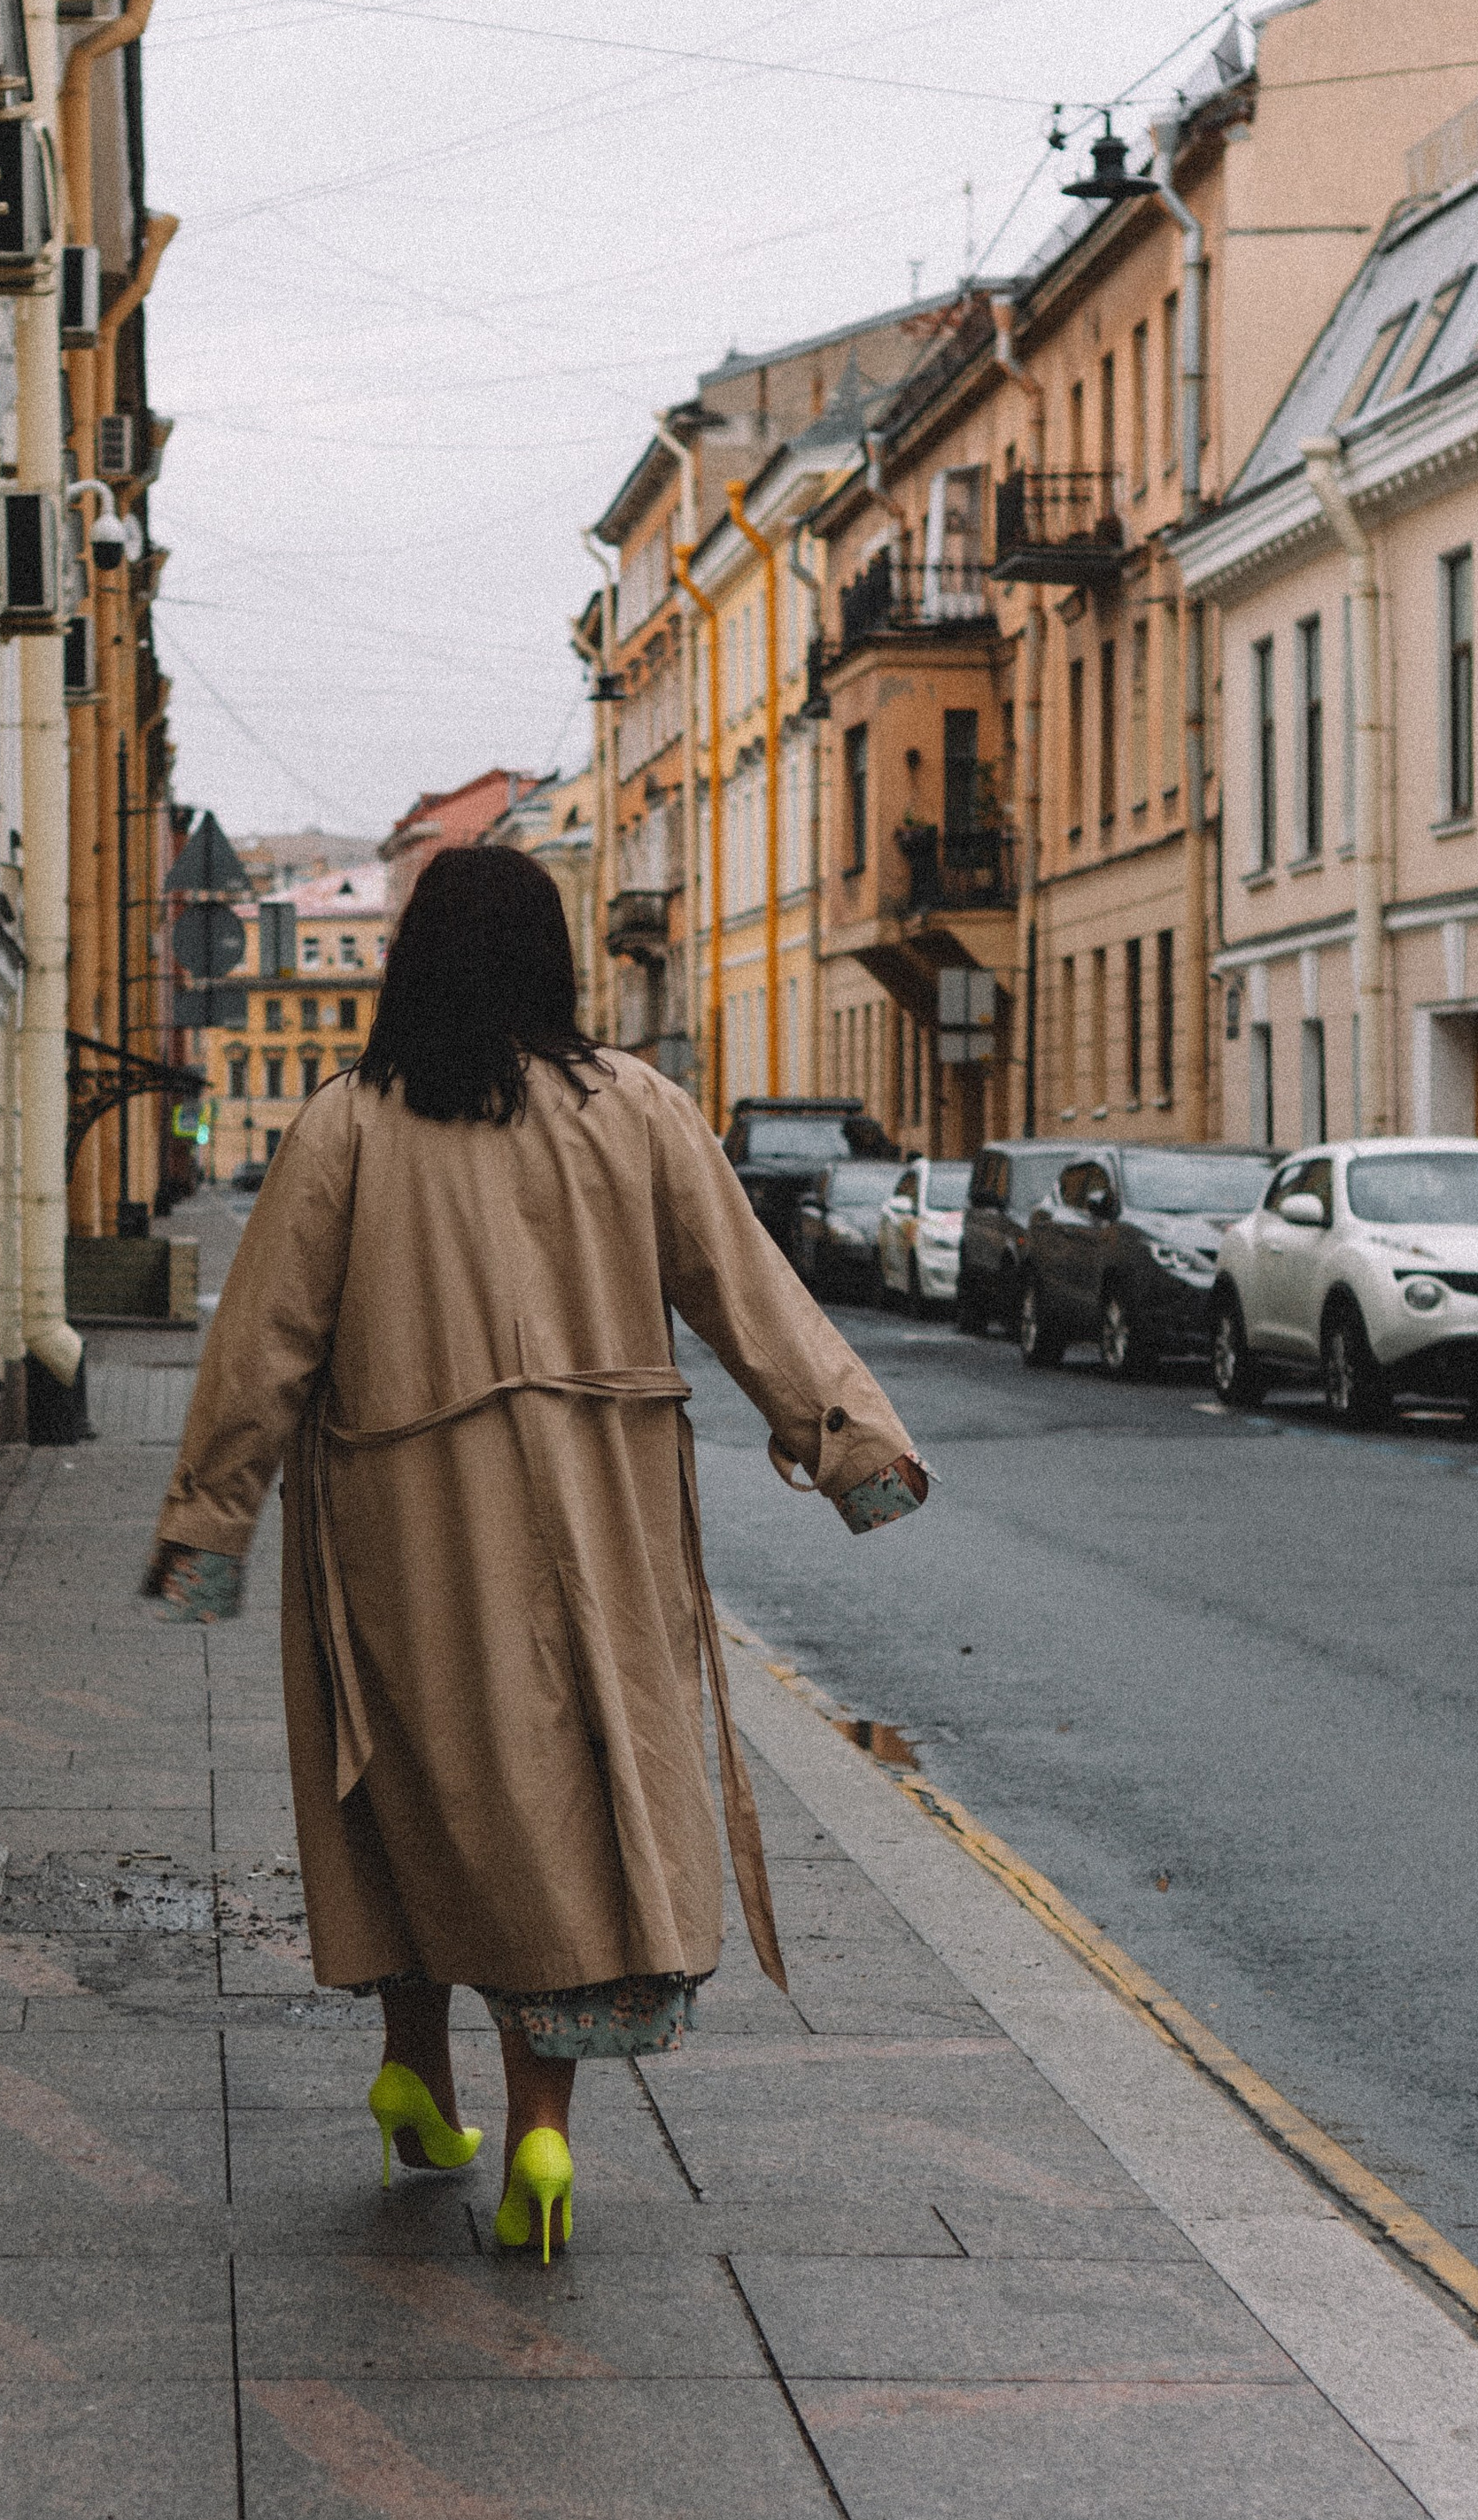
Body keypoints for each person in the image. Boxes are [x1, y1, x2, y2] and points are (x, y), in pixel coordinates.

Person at [145, 842, 926, 2259]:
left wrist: (209, 1530)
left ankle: (411, 2075)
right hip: (596, 1520)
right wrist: (855, 1448)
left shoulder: (348, 1124)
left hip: (396, 1526)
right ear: (554, 963)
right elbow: (750, 1291)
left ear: (412, 963)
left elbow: (260, 1345)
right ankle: (541, 2135)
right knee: (565, 1800)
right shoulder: (637, 1111)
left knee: (402, 1785)